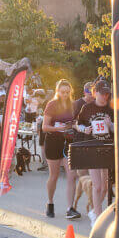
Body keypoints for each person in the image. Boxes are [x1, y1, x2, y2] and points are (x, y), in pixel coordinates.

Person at [75, 79, 115, 222]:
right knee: (97, 186)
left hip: (106, 148)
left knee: (105, 187)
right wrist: (84, 129)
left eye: (107, 94)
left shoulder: (111, 108)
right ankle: (97, 217)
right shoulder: (87, 108)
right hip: (92, 148)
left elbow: (117, 129)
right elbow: (77, 124)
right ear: (95, 92)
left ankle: (94, 211)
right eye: (102, 94)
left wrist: (110, 125)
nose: (105, 97)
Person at [43, 79, 81, 219]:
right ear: (57, 92)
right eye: (62, 92)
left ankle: (70, 208)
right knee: (54, 176)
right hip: (53, 141)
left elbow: (74, 121)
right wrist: (57, 128)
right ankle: (50, 203)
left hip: (67, 141)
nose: (65, 94)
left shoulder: (72, 105)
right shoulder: (52, 104)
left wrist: (74, 125)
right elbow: (44, 127)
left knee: (72, 175)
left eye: (67, 92)